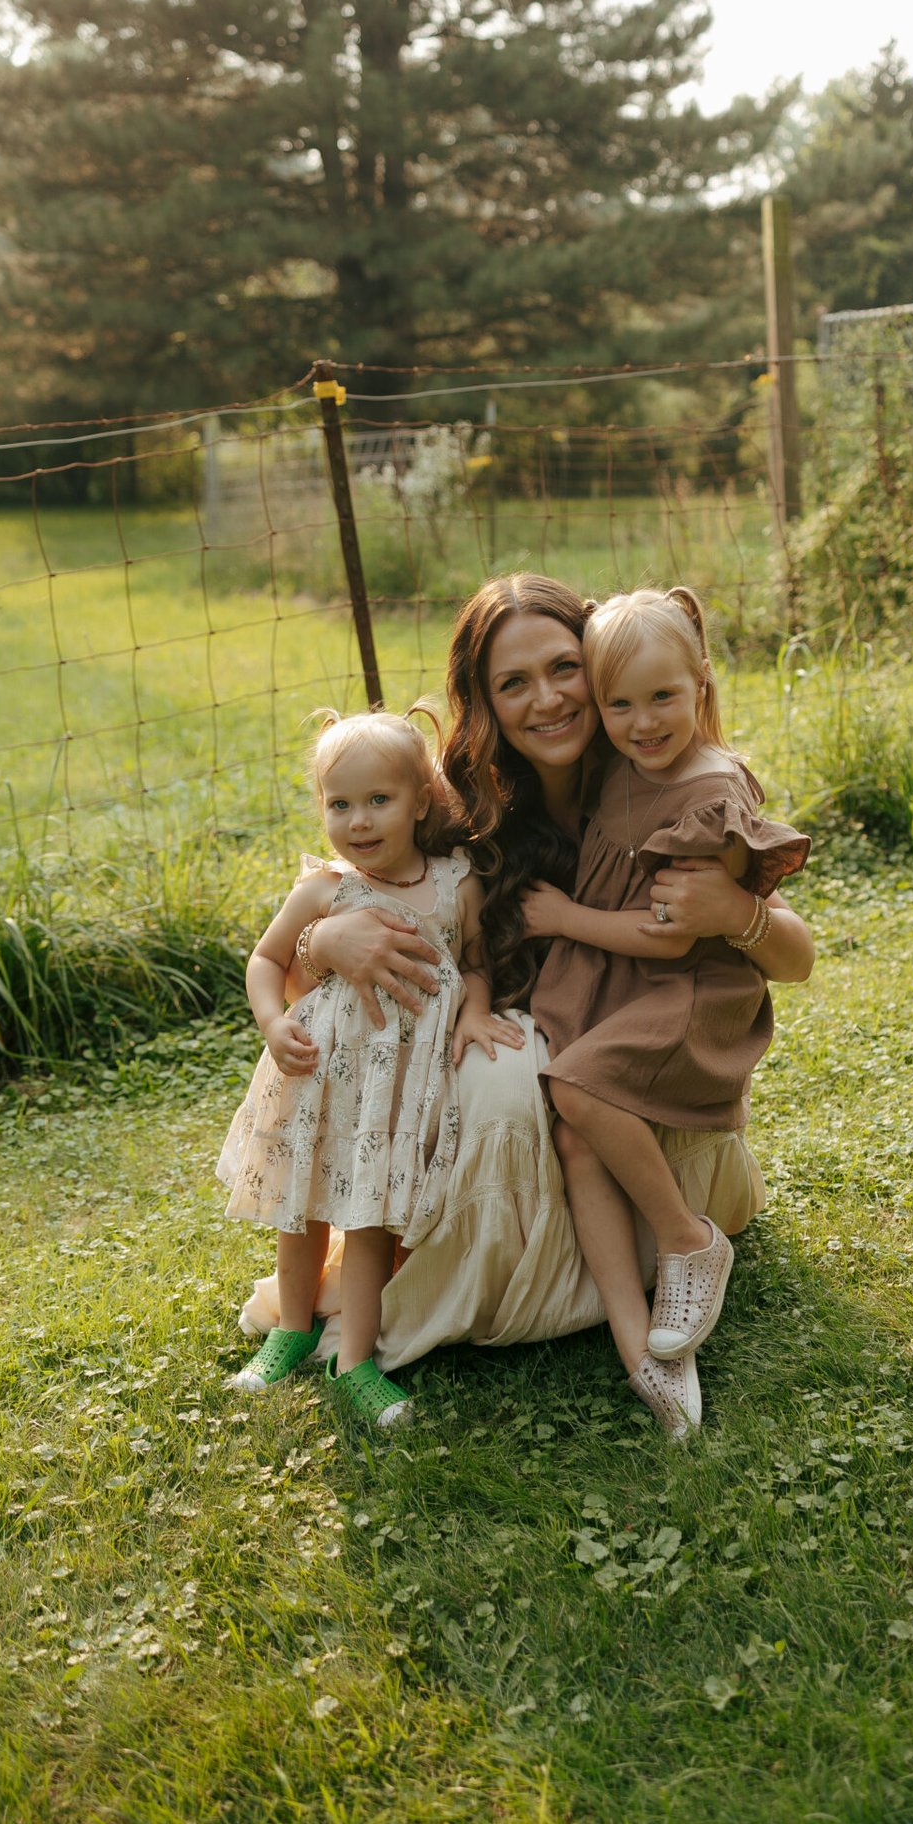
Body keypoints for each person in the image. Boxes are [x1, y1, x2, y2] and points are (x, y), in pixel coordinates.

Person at [233, 574, 815, 1417]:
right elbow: (339, 926)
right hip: (513, 1018)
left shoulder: (658, 764)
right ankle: (524, 1294)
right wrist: (323, 942)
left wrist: (737, 911)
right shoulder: (458, 804)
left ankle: (662, 1253)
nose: (546, 699)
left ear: (599, 667)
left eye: (564, 668)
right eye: (514, 683)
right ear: (486, 701)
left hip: (625, 1027)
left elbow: (795, 957)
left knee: (555, 1091)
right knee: (505, 1086)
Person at [526, 588, 811, 1437]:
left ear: (701, 685)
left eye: (662, 697)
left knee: (574, 1088)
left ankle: (688, 1240)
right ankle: (645, 1355)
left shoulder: (708, 792)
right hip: (626, 984)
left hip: (685, 991)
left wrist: (563, 917)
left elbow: (670, 934)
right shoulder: (620, 764)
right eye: (619, 704)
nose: (643, 722)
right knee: (576, 1136)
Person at [216, 711, 511, 1429]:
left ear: (421, 801)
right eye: (339, 803)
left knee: (372, 1218)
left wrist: (475, 1011)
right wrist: (272, 1022)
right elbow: (266, 959)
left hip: (397, 1092)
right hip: (319, 1077)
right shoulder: (326, 891)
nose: (358, 821)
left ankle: (355, 1360)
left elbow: (476, 964)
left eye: (379, 800)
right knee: (302, 1209)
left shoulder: (455, 886)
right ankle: (291, 1331)